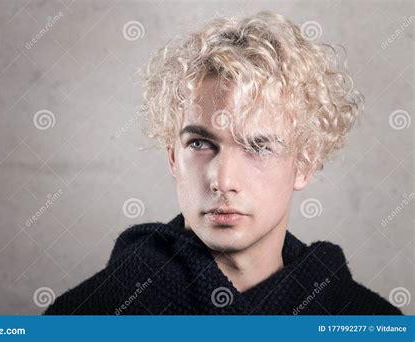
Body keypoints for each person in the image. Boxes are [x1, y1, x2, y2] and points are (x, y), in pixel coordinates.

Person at [44, 10, 401, 315]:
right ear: (172, 156)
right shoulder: (85, 316)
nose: (223, 179)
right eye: (200, 143)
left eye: (258, 146)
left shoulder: (366, 319)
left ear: (305, 163)